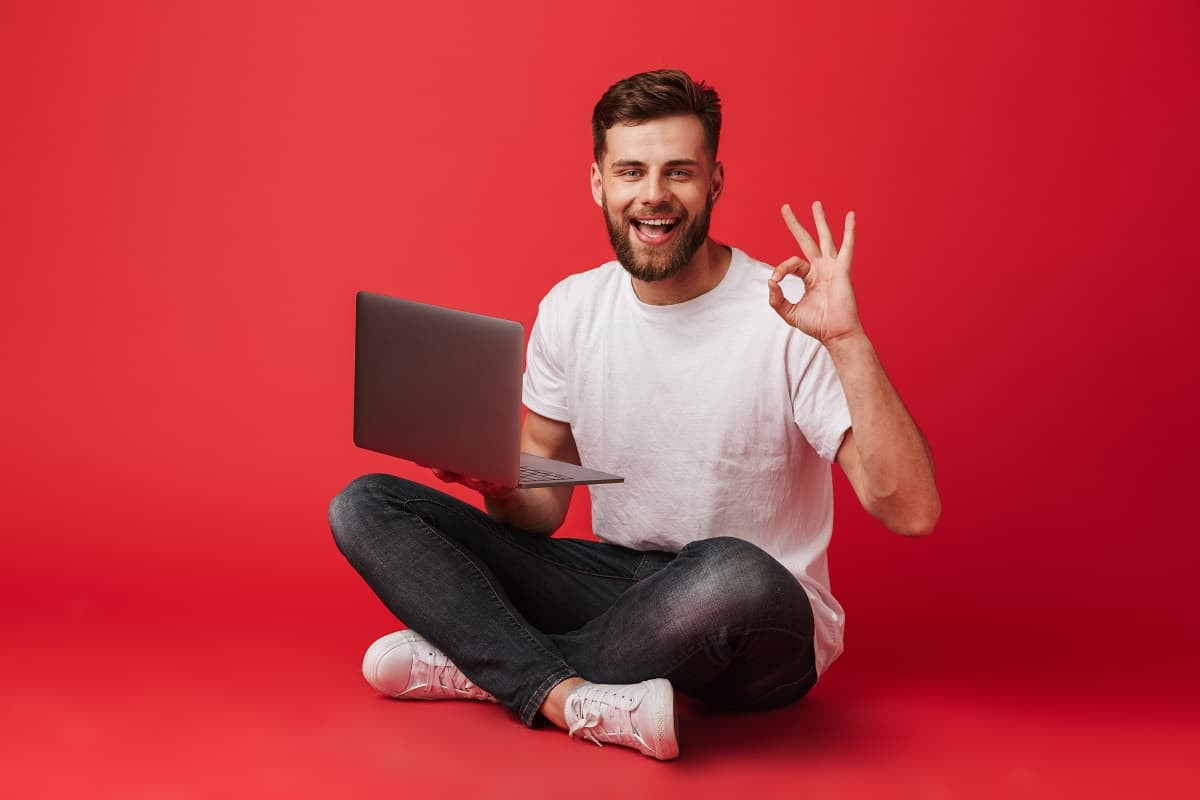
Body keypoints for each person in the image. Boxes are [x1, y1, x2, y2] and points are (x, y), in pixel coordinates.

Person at [328, 69, 940, 761]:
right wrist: (500, 485)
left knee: (729, 571)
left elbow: (911, 510)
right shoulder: (571, 309)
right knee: (365, 503)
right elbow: (542, 512)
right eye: (631, 171)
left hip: (754, 616)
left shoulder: (786, 315)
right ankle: (566, 693)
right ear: (599, 183)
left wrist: (848, 342)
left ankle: (490, 666)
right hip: (618, 586)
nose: (653, 195)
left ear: (714, 183)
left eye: (678, 171)